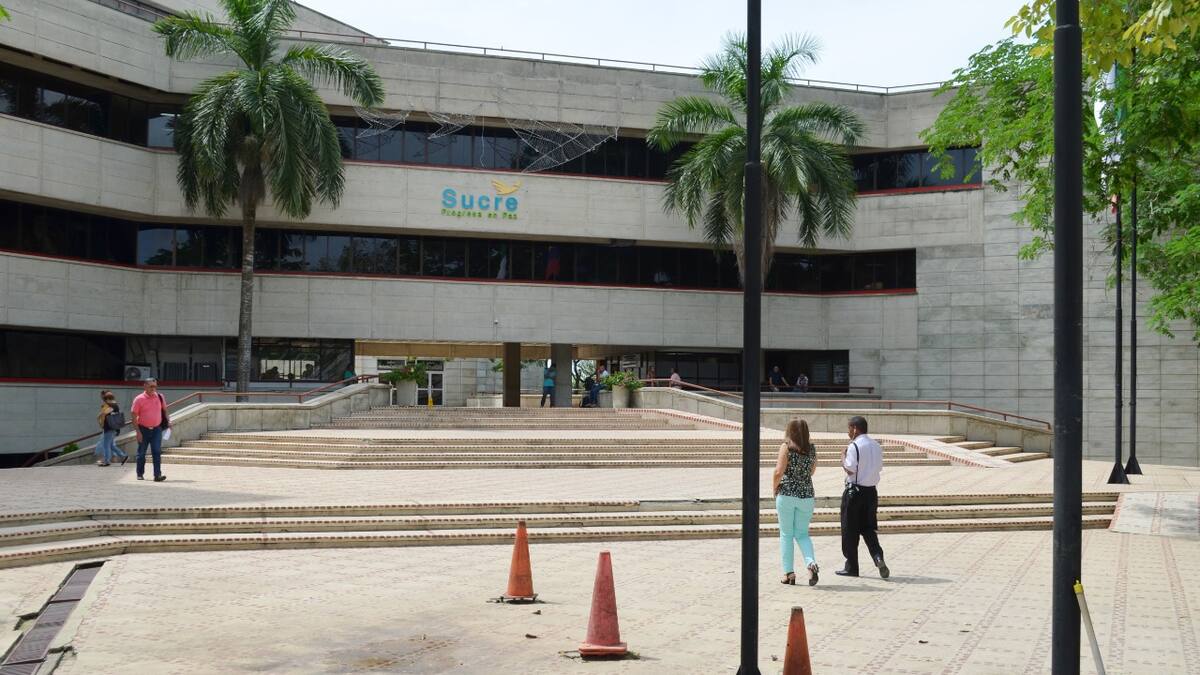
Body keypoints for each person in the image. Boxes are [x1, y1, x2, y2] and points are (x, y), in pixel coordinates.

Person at [836, 416, 888, 578]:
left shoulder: (854, 446)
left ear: (855, 429)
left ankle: (852, 567)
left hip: (855, 493)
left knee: (849, 530)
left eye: (849, 429)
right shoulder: (876, 445)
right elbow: (879, 467)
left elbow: (850, 469)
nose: (848, 432)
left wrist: (842, 457)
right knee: (868, 529)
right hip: (871, 493)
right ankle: (878, 556)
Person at [773, 419, 819, 586]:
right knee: (802, 534)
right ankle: (811, 563)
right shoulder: (812, 449)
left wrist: (774, 488)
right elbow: (812, 471)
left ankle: (789, 573)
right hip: (807, 496)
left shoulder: (786, 447)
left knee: (786, 534)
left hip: (787, 494)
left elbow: (778, 472)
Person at [131, 378, 170, 482]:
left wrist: (168, 421)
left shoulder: (160, 397)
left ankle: (157, 475)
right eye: (151, 386)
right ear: (145, 386)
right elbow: (133, 416)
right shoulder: (139, 399)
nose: (153, 388)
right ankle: (140, 474)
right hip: (143, 429)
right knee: (141, 453)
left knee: (156, 452)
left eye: (155, 386)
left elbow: (165, 410)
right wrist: (138, 432)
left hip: (157, 429)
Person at [95, 390, 128, 467]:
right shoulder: (113, 405)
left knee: (106, 445)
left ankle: (106, 461)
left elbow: (104, 413)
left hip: (109, 428)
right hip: (112, 428)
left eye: (105, 399)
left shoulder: (112, 405)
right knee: (110, 445)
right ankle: (123, 456)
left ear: (107, 399)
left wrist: (101, 422)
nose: (105, 401)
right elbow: (104, 413)